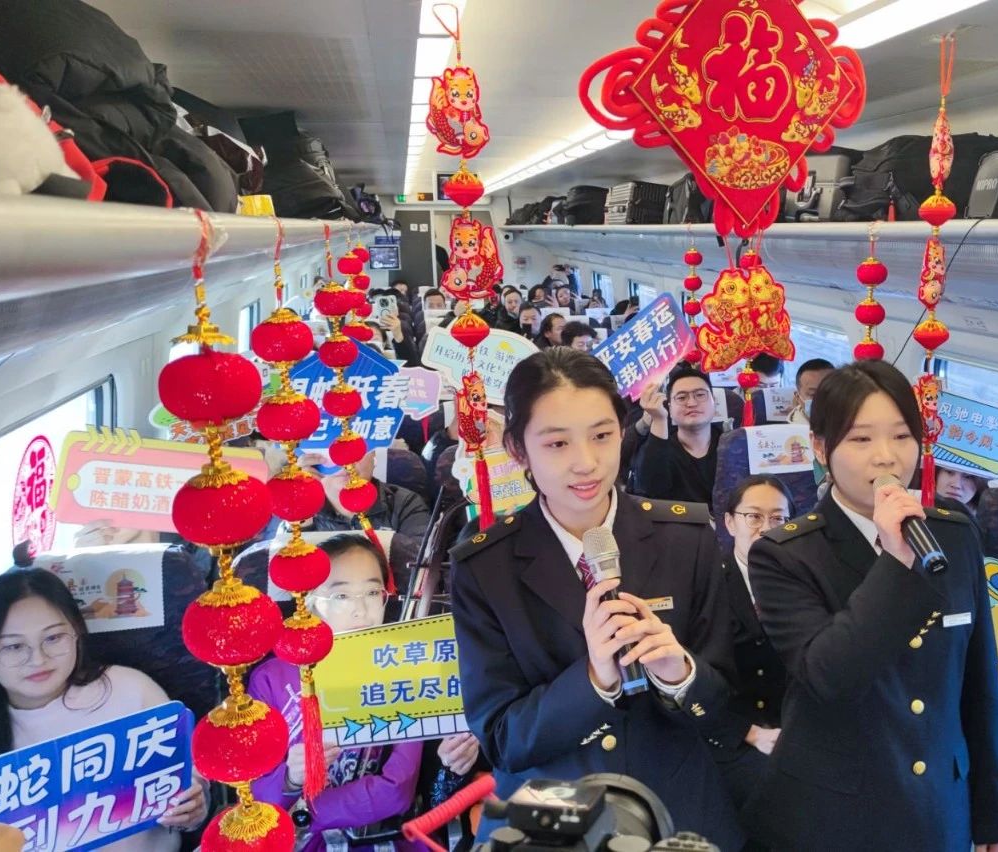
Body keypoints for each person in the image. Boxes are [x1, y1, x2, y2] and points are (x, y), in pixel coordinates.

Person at [448, 348, 744, 849]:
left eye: (602, 436)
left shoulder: (686, 537)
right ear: (518, 449)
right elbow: (501, 739)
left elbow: (725, 709)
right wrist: (594, 681)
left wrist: (681, 675)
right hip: (553, 817)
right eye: (557, 443)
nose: (586, 463)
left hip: (677, 810)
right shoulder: (486, 567)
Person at [745, 360, 998, 851]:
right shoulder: (785, 554)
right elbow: (829, 675)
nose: (886, 457)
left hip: (938, 803)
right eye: (861, 439)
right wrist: (896, 562)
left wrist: (995, 815)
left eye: (901, 436)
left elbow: (978, 682)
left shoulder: (954, 534)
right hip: (835, 814)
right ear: (820, 447)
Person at [0, 570, 208, 850]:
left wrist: (192, 809)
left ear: (76, 634)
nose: (38, 659)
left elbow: (191, 787)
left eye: (53, 638)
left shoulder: (131, 691)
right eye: (14, 646)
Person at [250, 534, 479, 851]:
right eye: (341, 595)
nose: (361, 610)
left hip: (382, 838)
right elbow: (255, 792)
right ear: (309, 602)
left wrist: (304, 815)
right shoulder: (270, 679)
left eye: (372, 592)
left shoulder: (405, 670)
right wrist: (291, 778)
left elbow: (397, 789)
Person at [715, 475, 789, 843]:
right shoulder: (708, 582)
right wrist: (750, 733)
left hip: (797, 729)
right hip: (734, 734)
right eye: (754, 516)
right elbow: (692, 676)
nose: (766, 528)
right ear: (730, 523)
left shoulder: (804, 578)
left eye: (778, 518)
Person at [298, 449, 431, 593]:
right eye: (329, 450)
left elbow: (423, 575)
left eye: (358, 448)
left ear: (373, 455)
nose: (346, 462)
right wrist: (299, 512)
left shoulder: (405, 503)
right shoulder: (297, 509)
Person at [630, 365, 724, 505]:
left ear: (714, 401)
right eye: (681, 397)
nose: (691, 403)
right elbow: (650, 493)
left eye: (700, 395)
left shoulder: (731, 446)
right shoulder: (659, 447)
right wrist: (659, 419)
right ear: (669, 407)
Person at [788, 357, 835, 425]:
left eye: (830, 391)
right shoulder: (787, 430)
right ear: (798, 398)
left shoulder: (848, 422)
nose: (823, 399)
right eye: (813, 394)